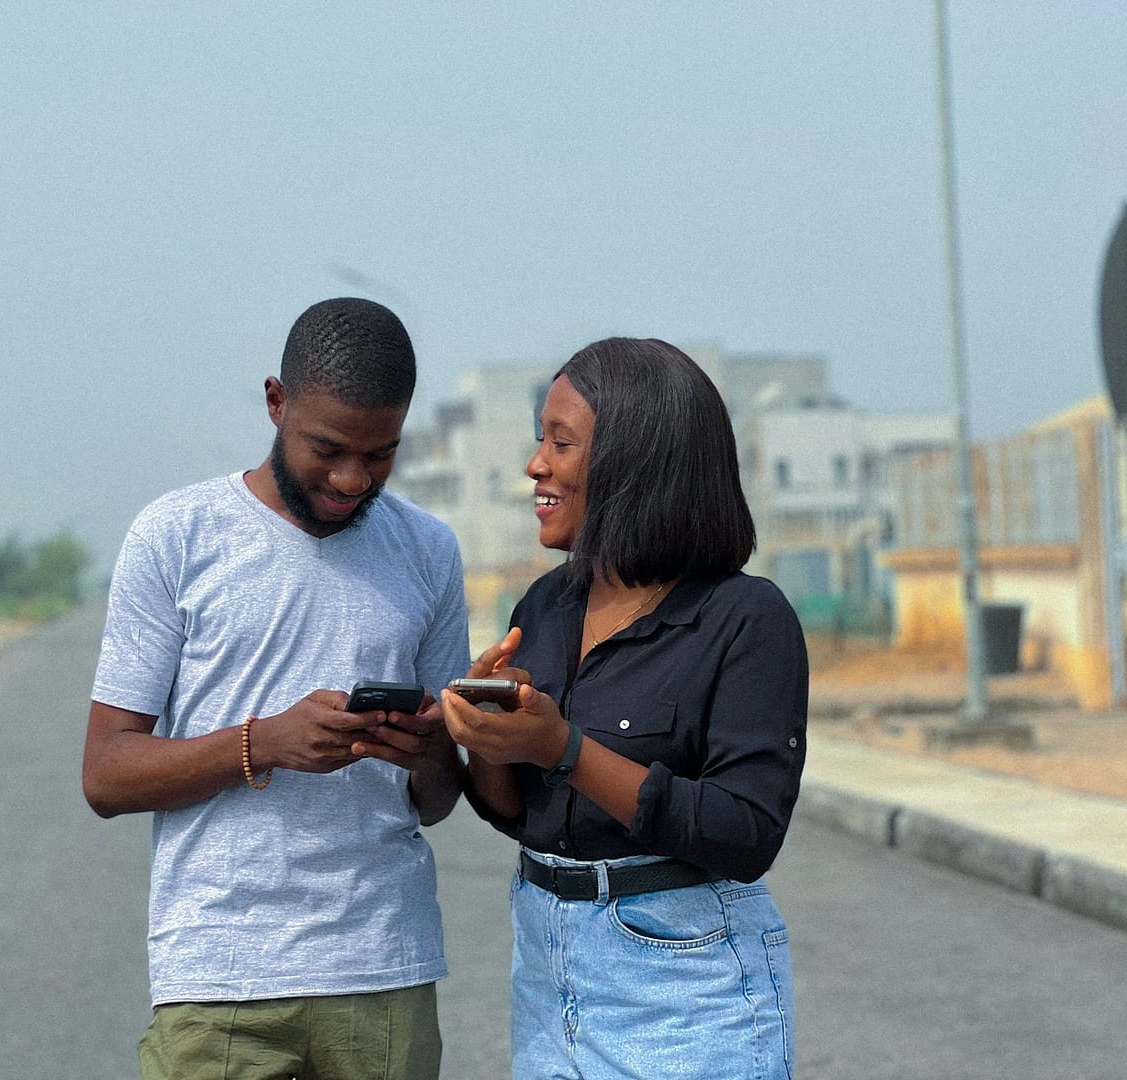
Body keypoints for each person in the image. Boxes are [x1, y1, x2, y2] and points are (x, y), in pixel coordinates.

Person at [83, 297, 470, 1080]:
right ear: (275, 401)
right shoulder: (178, 535)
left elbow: (435, 799)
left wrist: (429, 748)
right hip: (220, 978)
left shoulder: (428, 550)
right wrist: (264, 744)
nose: (351, 479)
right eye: (327, 448)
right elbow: (106, 775)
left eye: (381, 454)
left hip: (383, 971)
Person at [442, 337, 808, 1079]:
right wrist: (486, 739)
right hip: (548, 966)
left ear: (632, 464)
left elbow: (747, 833)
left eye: (560, 442)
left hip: (683, 981)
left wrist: (563, 749)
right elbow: (523, 813)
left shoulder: (744, 618)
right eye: (539, 439)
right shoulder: (545, 606)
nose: (534, 464)